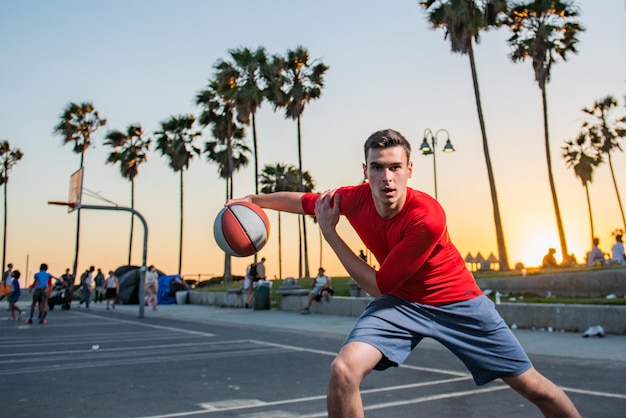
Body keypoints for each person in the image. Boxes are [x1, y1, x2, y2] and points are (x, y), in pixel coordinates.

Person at [227, 129, 580, 417]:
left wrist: (330, 234)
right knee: (343, 371)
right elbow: (304, 201)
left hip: (457, 302)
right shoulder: (355, 198)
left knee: (534, 388)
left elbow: (377, 286)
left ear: (410, 169)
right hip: (402, 304)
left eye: (395, 167)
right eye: (378, 168)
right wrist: (252, 201)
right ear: (365, 171)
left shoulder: (427, 217)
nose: (387, 177)